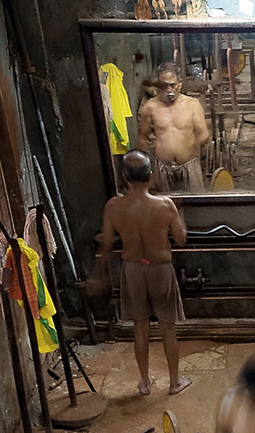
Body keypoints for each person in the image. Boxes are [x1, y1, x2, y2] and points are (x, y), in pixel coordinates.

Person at [91, 152, 190, 397]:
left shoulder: (113, 206)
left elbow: (106, 244)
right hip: (160, 269)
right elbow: (181, 240)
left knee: (140, 328)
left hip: (133, 269)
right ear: (150, 176)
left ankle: (145, 382)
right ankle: (174, 382)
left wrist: (99, 275)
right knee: (167, 328)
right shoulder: (165, 205)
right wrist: (180, 215)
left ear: (125, 177)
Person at [136, 66, 210, 193]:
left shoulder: (192, 105)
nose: (169, 90)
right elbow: (143, 137)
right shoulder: (150, 107)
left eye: (172, 85)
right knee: (165, 203)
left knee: (195, 202)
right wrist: (146, 167)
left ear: (179, 84)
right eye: (164, 86)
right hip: (163, 168)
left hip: (189, 165)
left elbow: (204, 133)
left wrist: (192, 147)